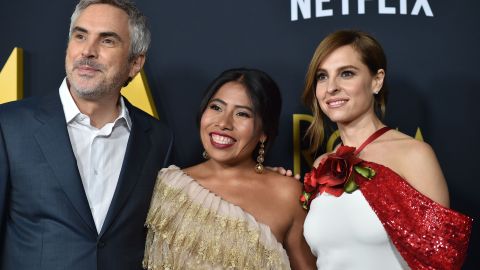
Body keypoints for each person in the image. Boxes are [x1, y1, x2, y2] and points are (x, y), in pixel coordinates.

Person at [0, 0, 173, 269]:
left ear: (135, 63)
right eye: (80, 36)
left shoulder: (158, 139)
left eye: (107, 41)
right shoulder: (9, 125)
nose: (88, 51)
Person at [300, 30, 472, 270]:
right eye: (322, 76)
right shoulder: (322, 165)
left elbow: (441, 260)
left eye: (346, 73)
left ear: (376, 80)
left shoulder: (413, 154)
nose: (331, 88)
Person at [143, 68, 316, 270]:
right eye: (216, 107)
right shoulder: (168, 187)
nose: (224, 123)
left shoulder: (287, 193)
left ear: (264, 132)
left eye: (242, 114)